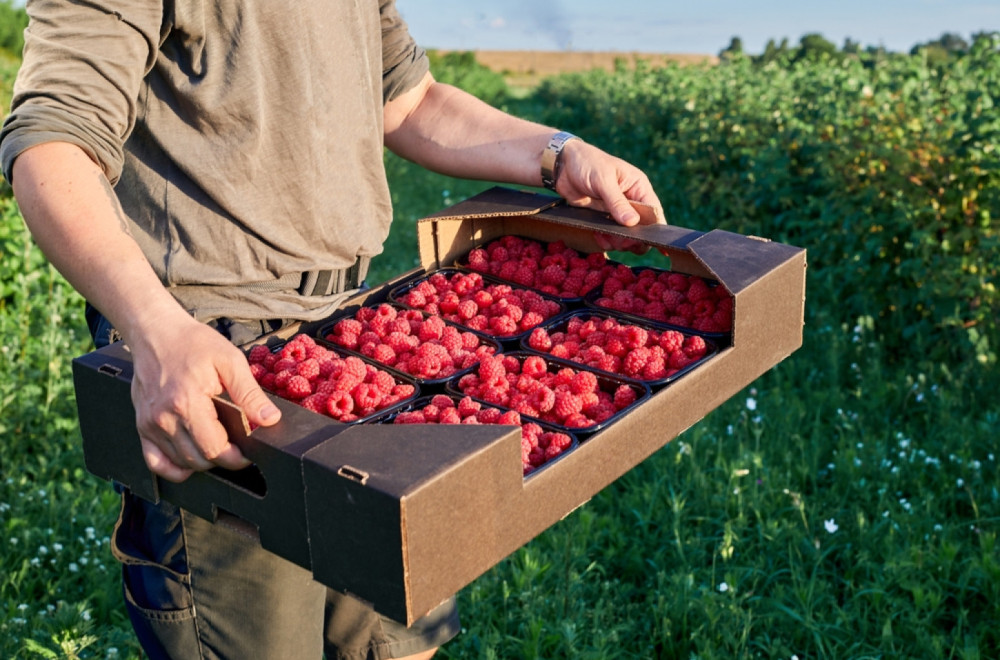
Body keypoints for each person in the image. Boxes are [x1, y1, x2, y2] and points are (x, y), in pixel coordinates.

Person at [0, 1, 662, 658]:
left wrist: (557, 154)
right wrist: (155, 329)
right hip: (219, 359)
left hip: (362, 337)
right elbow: (52, 143)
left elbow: (408, 100)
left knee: (399, 642)